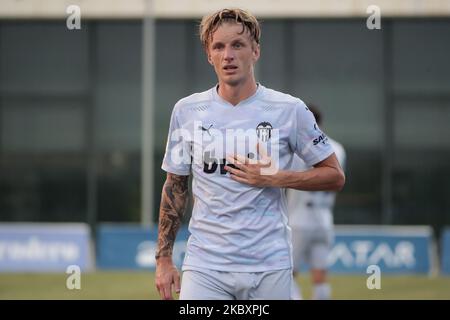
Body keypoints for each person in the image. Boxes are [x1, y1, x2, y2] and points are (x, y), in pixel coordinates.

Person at [155, 8, 345, 300]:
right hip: (206, 266)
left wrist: (277, 177)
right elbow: (175, 185)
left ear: (255, 51)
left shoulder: (289, 109)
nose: (227, 55)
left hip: (270, 264)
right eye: (218, 46)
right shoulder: (187, 111)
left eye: (238, 45)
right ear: (209, 55)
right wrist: (164, 259)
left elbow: (334, 175)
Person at [287, 104, 346, 300]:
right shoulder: (337, 148)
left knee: (288, 274)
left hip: (299, 219)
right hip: (325, 219)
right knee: (320, 277)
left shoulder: (297, 148)